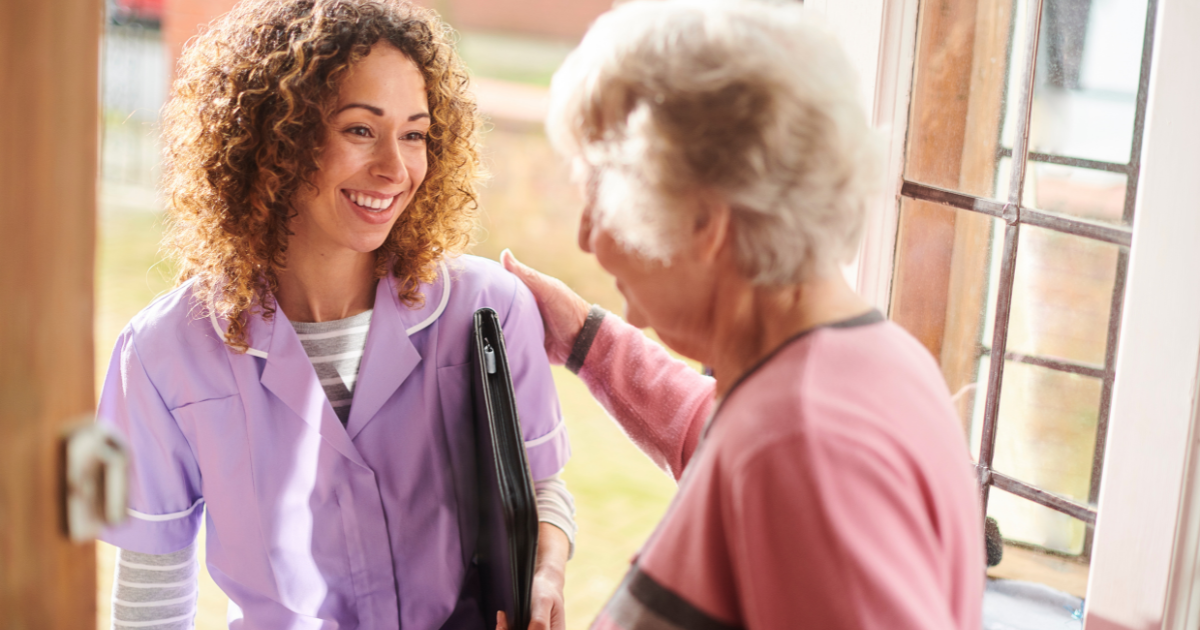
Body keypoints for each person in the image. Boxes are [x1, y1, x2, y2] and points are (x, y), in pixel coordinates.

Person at [500, 1, 984, 628]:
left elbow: (783, 457)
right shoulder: (865, 363)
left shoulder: (803, 446)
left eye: (600, 190)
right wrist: (584, 338)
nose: (587, 238)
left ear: (704, 220)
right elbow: (726, 435)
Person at [96, 1, 573, 628]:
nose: (395, 169)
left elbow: (539, 489)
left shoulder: (488, 312)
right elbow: (152, 601)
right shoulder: (163, 354)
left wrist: (547, 572)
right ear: (277, 137)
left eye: (414, 134)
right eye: (359, 129)